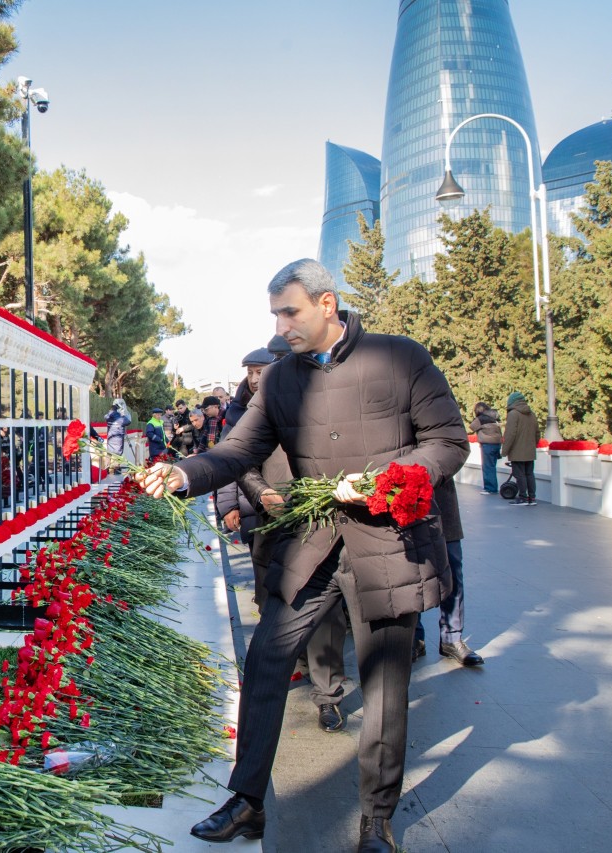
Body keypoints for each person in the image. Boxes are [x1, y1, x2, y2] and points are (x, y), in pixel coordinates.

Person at [138, 258, 467, 853]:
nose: (281, 325)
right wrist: (183, 474)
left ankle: (376, 820)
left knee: (386, 689)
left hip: (388, 547)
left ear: (326, 303)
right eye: (275, 315)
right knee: (266, 659)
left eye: (289, 311)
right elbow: (237, 450)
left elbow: (448, 442)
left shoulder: (402, 357)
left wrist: (388, 481)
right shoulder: (283, 379)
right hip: (310, 547)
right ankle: (248, 802)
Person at [216, 341, 350, 735]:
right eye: (252, 371)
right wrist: (253, 496)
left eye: (264, 369)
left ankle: (328, 696)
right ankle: (288, 669)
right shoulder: (241, 412)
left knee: (324, 612)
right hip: (269, 521)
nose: (256, 378)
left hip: (317, 521)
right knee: (271, 602)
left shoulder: (316, 393)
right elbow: (237, 461)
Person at [414, 477, 484, 666]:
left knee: (452, 570)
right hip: (406, 496)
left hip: (441, 493)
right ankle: (414, 638)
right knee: (412, 573)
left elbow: (454, 449)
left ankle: (452, 638)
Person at [502, 391, 539, 506]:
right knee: (529, 474)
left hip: (517, 451)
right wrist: (533, 445)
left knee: (520, 474)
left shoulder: (513, 414)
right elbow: (537, 433)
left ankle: (522, 497)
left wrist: (504, 451)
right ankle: (532, 497)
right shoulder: (531, 414)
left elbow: (510, 434)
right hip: (530, 450)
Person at [470, 402, 502, 494]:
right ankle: (493, 486)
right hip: (497, 444)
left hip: (487, 444)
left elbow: (472, 427)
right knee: (492, 466)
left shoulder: (480, 419)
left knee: (487, 466)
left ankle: (490, 488)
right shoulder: (495, 416)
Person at [104, 399, 130, 474]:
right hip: (118, 440)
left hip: (110, 439)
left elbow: (106, 416)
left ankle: (106, 470)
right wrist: (123, 414)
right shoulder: (120, 418)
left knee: (108, 454)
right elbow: (128, 421)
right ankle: (117, 471)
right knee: (118, 456)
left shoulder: (109, 416)